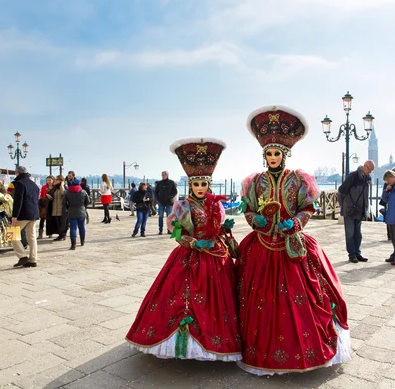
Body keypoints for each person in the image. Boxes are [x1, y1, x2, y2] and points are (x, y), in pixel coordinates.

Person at [237, 106, 350, 375]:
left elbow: (307, 208)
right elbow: (248, 209)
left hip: (291, 244)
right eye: (269, 154)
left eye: (277, 153)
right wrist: (256, 221)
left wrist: (296, 223)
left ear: (285, 154)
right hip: (262, 244)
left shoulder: (299, 180)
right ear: (264, 156)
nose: (273, 157)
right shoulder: (255, 182)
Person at [126, 137, 241, 362]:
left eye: (204, 184)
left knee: (221, 299)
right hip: (190, 257)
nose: (200, 188)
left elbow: (217, 227)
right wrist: (194, 243)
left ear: (209, 184)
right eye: (196, 184)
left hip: (217, 257)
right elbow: (177, 233)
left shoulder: (217, 204)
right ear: (191, 185)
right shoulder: (183, 206)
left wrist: (224, 230)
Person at [337, 160, 374, 263]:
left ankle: (357, 253)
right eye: (369, 170)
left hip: (360, 210)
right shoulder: (352, 177)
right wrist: (344, 206)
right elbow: (340, 192)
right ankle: (352, 254)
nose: (370, 172)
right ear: (365, 167)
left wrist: (365, 209)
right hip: (349, 210)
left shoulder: (367, 179)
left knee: (358, 234)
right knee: (350, 233)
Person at [10, 166, 40, 267]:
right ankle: (33, 259)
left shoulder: (20, 184)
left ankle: (22, 257)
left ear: (17, 173)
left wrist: (14, 216)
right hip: (34, 213)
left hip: (23, 214)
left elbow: (18, 201)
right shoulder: (34, 185)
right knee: (31, 237)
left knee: (12, 233)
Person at [64, 178, 91, 250]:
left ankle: (73, 245)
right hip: (81, 211)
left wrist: (68, 207)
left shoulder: (67, 192)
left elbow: (63, 203)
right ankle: (82, 241)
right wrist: (83, 206)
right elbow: (88, 202)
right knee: (81, 227)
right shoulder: (83, 192)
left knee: (73, 228)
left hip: (71, 211)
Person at [48, 175, 68, 241]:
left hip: (61, 208)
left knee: (62, 222)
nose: (55, 181)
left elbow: (64, 193)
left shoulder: (63, 187)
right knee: (57, 222)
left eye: (57, 179)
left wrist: (62, 185)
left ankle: (63, 235)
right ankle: (60, 234)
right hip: (54, 207)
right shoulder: (54, 188)